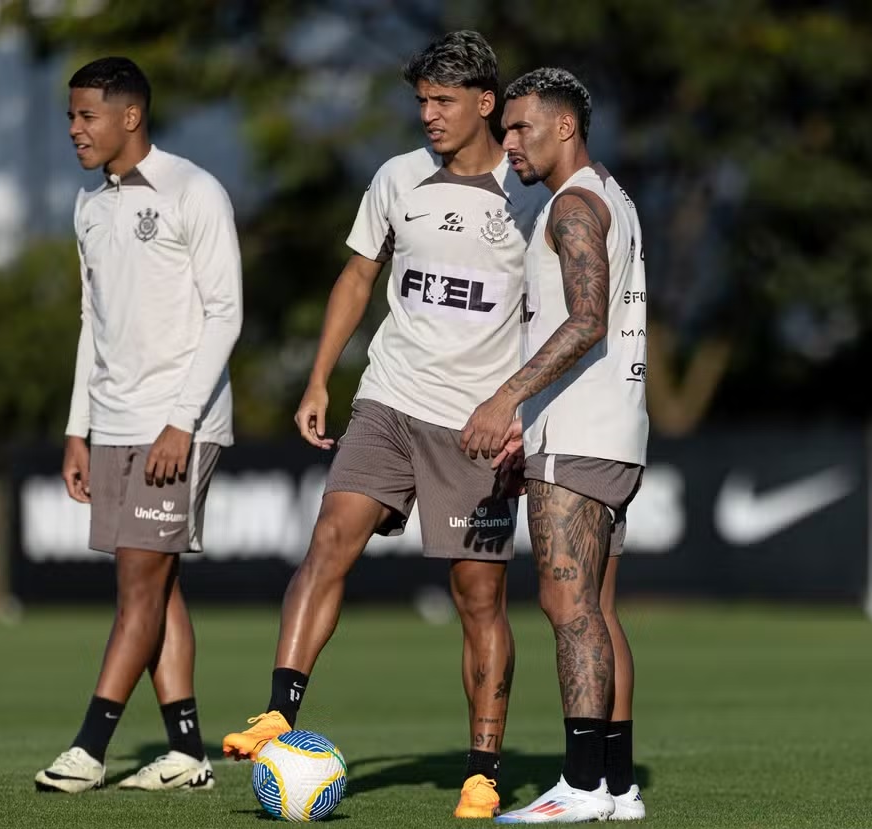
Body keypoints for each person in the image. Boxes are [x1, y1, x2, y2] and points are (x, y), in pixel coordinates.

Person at [222, 31, 546, 819]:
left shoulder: (532, 196)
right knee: (329, 539)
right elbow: (358, 274)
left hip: (474, 428)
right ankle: (279, 710)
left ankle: (481, 768)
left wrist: (519, 412)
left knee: (477, 598)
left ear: (485, 104)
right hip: (388, 402)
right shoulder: (398, 177)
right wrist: (317, 380)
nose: (428, 116)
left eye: (443, 101)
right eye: (421, 101)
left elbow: (556, 319)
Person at [35, 56, 243, 794]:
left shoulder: (195, 191)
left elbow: (227, 313)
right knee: (159, 586)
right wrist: (77, 428)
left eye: (86, 115)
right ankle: (187, 751)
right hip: (115, 421)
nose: (74, 130)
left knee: (139, 585)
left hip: (178, 425)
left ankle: (90, 745)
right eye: (70, 116)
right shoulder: (90, 206)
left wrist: (181, 423)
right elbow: (94, 321)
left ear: (130, 116)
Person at [460, 67, 648, 823]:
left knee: (566, 603)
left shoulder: (573, 205)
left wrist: (504, 396)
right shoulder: (614, 194)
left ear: (563, 127)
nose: (507, 144)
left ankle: (579, 784)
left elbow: (586, 318)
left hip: (582, 433)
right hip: (611, 429)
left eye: (519, 128)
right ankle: (617, 783)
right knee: (597, 608)